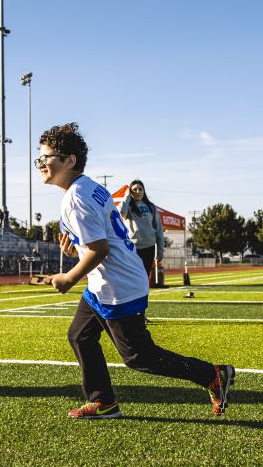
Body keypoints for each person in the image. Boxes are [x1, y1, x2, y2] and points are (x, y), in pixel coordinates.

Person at [36, 122, 234, 420]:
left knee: (140, 357)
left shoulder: (75, 197)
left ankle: (212, 375)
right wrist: (72, 249)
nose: (40, 164)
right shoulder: (89, 187)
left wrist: (68, 277)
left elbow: (100, 249)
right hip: (107, 284)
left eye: (46, 157)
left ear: (69, 161)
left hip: (118, 286)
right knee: (80, 336)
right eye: (38, 158)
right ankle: (102, 401)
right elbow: (99, 241)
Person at [118, 179, 165, 283]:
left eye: (140, 189)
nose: (138, 191)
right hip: (132, 248)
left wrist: (161, 249)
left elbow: (158, 228)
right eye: (134, 189)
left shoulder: (151, 206)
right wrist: (126, 197)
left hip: (149, 247)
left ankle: (143, 299)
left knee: (144, 279)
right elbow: (121, 213)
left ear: (144, 191)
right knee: (132, 278)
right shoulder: (127, 206)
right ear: (130, 191)